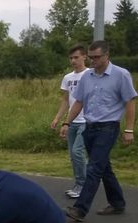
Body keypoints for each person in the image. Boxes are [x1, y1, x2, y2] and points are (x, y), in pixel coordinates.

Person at [60, 40, 138, 222]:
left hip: (108, 127)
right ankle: (118, 203)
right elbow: (78, 101)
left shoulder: (121, 75)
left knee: (94, 168)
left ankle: (80, 209)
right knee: (104, 168)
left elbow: (130, 101)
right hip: (89, 127)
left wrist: (129, 129)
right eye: (91, 57)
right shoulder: (87, 77)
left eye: (97, 57)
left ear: (106, 56)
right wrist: (67, 123)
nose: (93, 60)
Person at [50, 44, 88, 199]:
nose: (73, 60)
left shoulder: (90, 74)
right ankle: (80, 182)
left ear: (84, 57)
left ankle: (83, 185)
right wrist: (58, 118)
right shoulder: (68, 78)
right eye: (71, 58)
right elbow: (66, 100)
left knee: (77, 152)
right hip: (72, 120)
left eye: (76, 57)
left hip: (87, 120)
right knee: (73, 155)